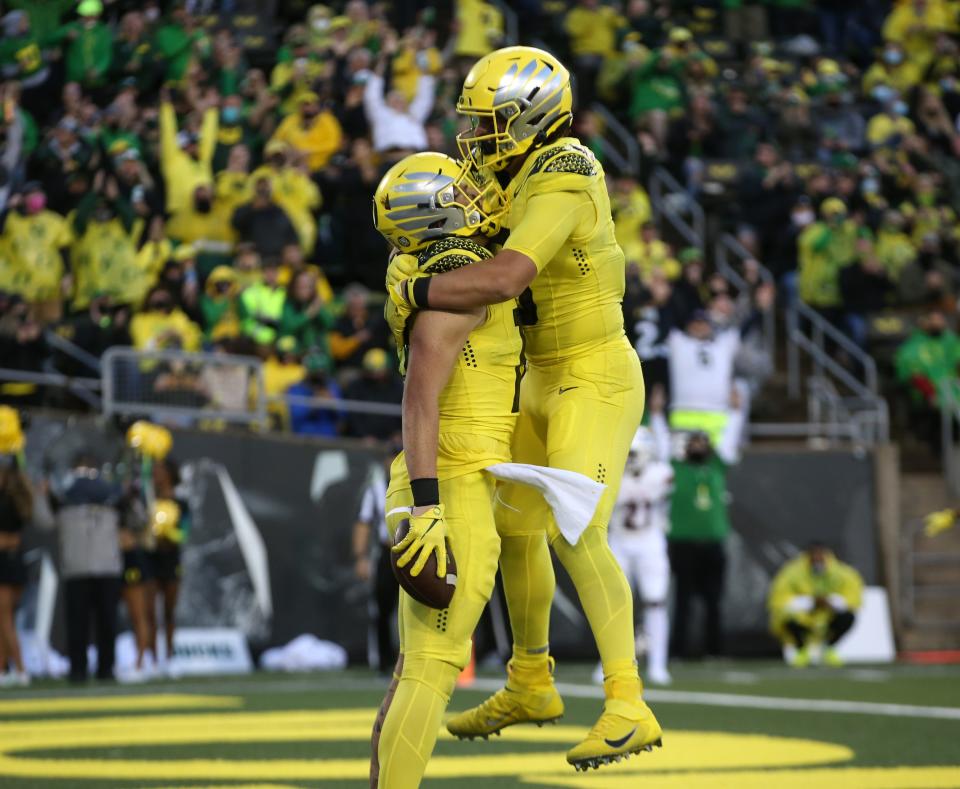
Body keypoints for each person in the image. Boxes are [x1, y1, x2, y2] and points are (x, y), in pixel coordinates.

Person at [391, 46, 662, 769]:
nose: (473, 139)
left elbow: (506, 276)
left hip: (595, 374)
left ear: (532, 118)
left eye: (488, 123)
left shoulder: (566, 170)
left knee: (576, 527)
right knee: (517, 526)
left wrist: (417, 291)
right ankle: (531, 681)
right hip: (540, 377)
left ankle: (628, 701)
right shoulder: (505, 171)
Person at [370, 150, 522, 788]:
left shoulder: (430, 265)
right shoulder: (454, 274)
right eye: (458, 191)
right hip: (451, 475)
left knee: (416, 666)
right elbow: (420, 396)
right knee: (433, 666)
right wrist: (428, 504)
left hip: (456, 469)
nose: (472, 195)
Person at [651, 387, 744, 660]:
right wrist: (657, 414)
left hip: (713, 542)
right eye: (694, 443)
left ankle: (714, 650)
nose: (699, 446)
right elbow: (662, 445)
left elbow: (728, 442)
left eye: (703, 443)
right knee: (683, 600)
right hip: (683, 542)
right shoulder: (675, 468)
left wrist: (736, 412)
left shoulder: (716, 467)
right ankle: (679, 650)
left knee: (713, 601)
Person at [602, 425, 674, 686]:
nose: (630, 458)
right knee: (613, 603)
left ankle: (658, 664)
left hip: (650, 542)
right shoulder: (613, 474)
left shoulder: (659, 473)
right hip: (619, 541)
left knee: (655, 601)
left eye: (634, 453)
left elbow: (665, 479)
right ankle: (608, 663)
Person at [43, 452, 124, 683]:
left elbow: (139, 520)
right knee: (77, 623)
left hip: (107, 569)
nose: (85, 479)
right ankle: (78, 670)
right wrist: (43, 494)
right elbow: (45, 521)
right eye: (80, 470)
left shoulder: (112, 499)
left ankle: (106, 670)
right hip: (77, 569)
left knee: (107, 623)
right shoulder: (63, 499)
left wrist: (131, 491)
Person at [768, 543, 864, 667]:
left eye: (821, 557)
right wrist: (810, 602)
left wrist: (831, 602)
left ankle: (829, 648)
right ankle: (802, 650)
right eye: (814, 557)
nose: (817, 561)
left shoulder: (843, 573)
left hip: (827, 617)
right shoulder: (791, 573)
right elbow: (778, 599)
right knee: (784, 617)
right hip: (803, 617)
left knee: (848, 616)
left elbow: (854, 598)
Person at [352, 454, 398, 675]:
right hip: (388, 553)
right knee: (382, 608)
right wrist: (361, 557)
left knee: (419, 610)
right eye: (390, 458)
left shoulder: (414, 484)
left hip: (415, 551)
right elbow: (364, 522)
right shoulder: (376, 489)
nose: (393, 463)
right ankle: (384, 662)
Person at [146, 457, 189, 672]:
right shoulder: (148, 500)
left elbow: (184, 533)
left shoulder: (181, 504)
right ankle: (152, 660)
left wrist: (168, 531)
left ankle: (169, 658)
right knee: (150, 612)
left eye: (160, 470)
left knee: (169, 612)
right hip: (151, 560)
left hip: (171, 560)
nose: (156, 474)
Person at [0, 407, 30, 687]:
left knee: (4, 618)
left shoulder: (7, 498)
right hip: (14, 561)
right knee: (4, 618)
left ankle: (20, 668)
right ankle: (4, 670)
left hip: (6, 562)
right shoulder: (21, 492)